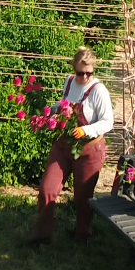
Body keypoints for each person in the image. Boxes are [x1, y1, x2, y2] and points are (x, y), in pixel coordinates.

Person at [32, 47, 114, 244]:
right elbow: (63, 106)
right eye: (80, 73)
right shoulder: (69, 82)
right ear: (73, 69)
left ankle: (82, 234)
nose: (84, 77)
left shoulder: (99, 91)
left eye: (89, 73)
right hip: (64, 146)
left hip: (88, 150)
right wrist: (49, 112)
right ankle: (42, 235)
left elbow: (107, 122)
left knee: (82, 198)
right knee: (47, 189)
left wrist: (85, 131)